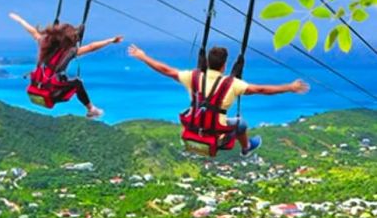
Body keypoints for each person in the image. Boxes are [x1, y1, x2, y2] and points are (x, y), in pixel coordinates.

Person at [127, 44, 309, 156]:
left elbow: (165, 70)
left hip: (193, 130)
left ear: (207, 62)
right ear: (224, 65)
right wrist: (290, 87)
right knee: (241, 123)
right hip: (217, 135)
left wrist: (143, 56)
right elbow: (260, 90)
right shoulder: (232, 84)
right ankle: (246, 148)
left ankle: (243, 147)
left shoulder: (193, 77)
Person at [9, 12, 123, 119]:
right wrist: (111, 40)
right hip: (51, 95)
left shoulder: (44, 44)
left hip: (35, 89)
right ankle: (91, 109)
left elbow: (33, 31)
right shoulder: (68, 52)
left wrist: (19, 20)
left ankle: (91, 109)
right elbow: (91, 47)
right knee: (77, 83)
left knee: (66, 80)